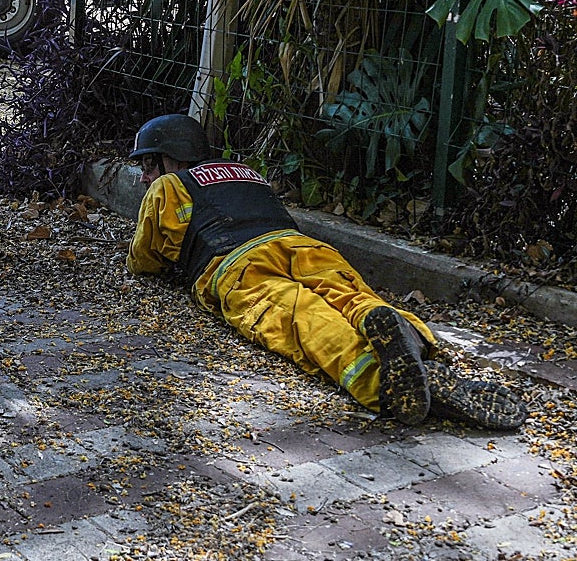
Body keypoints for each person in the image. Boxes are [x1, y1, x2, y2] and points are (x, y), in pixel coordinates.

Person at [126, 114, 527, 429]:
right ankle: (410, 343)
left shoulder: (169, 186)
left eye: (148, 165)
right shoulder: (248, 172)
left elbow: (145, 259)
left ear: (170, 157)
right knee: (353, 296)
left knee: (300, 314)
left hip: (239, 263)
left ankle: (380, 382)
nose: (144, 177)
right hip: (304, 246)